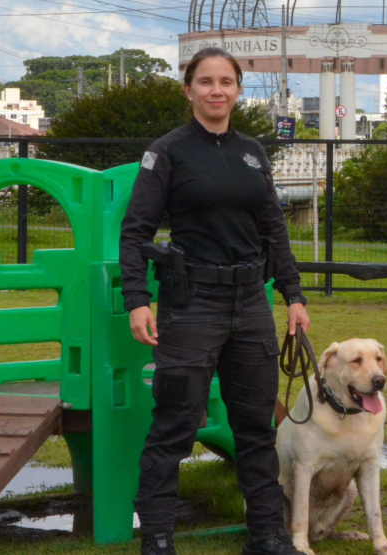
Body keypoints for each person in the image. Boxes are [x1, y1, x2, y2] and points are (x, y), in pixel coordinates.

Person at [120, 47, 309, 555]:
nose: (216, 90)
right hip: (192, 303)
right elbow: (135, 230)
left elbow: (274, 229)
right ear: (188, 89)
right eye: (205, 81)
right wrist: (136, 299)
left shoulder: (253, 152)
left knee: (256, 425)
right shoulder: (167, 152)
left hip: (251, 302)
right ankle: (158, 538)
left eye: (226, 81)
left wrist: (294, 294)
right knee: (175, 425)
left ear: (239, 89)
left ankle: (267, 534)